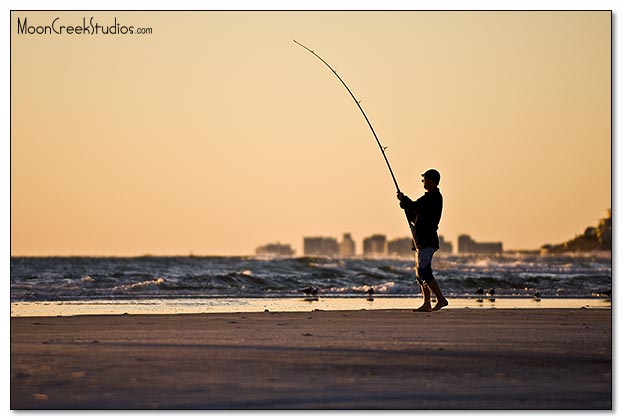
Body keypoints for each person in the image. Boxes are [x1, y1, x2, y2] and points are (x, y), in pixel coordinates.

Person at [397, 169, 448, 312]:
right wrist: (406, 206)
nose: (422, 181)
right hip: (420, 240)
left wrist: (403, 200)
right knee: (420, 274)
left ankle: (440, 298)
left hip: (427, 240)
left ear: (431, 181)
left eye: (424, 179)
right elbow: (415, 214)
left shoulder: (433, 198)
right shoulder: (430, 198)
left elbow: (414, 206)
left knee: (424, 272)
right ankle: (426, 303)